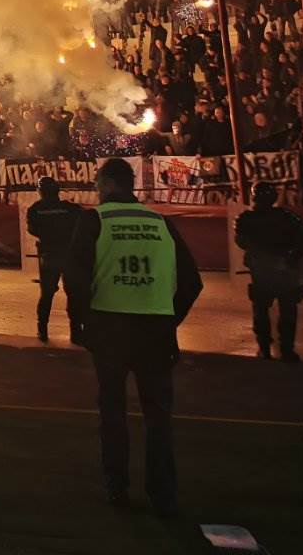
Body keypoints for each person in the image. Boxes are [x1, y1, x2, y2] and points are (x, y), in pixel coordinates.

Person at [67, 156, 202, 515]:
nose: (97, 191)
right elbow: (192, 282)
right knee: (158, 416)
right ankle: (163, 494)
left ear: (109, 184)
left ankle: (117, 487)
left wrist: (80, 324)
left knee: (112, 411)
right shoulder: (161, 223)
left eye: (98, 184)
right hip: (155, 331)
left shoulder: (95, 220)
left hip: (110, 329)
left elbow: (76, 278)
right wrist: (168, 318)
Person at [234, 182, 303, 361]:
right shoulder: (287, 217)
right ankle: (286, 349)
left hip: (263, 271)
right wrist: (292, 258)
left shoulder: (246, 219)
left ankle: (265, 348)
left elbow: (241, 241)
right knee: (287, 310)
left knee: (261, 311)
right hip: (283, 271)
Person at [27, 176, 84, 342]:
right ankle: (75, 332)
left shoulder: (35, 209)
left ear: (40, 191)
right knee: (73, 293)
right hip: (68, 255)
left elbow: (32, 230)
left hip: (49, 255)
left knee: (47, 294)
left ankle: (42, 330)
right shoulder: (70, 208)